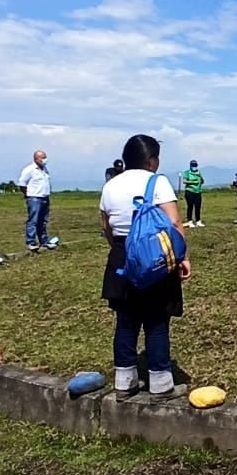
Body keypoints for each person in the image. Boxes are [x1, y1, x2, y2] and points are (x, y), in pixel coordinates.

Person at [99, 134, 191, 400]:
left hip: (120, 257)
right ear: (152, 160)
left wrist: (121, 251)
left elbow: (107, 226)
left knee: (125, 322)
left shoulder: (110, 186)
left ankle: (124, 383)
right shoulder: (157, 182)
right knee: (156, 321)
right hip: (155, 258)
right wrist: (183, 257)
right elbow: (174, 224)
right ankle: (161, 384)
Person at [18, 149, 54, 251]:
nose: (45, 160)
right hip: (34, 198)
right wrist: (28, 194)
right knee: (33, 220)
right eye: (43, 157)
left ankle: (44, 240)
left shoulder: (45, 170)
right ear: (36, 158)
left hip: (45, 197)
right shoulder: (29, 169)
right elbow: (22, 184)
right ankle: (31, 242)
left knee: (43, 221)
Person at [180, 160, 205, 227]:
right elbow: (184, 181)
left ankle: (198, 221)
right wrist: (193, 182)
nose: (194, 167)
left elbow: (202, 181)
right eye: (193, 165)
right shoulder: (187, 172)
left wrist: (201, 179)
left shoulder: (199, 172)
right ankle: (190, 221)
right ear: (190, 166)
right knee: (190, 206)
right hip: (190, 191)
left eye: (195, 165)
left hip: (198, 191)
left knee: (198, 206)